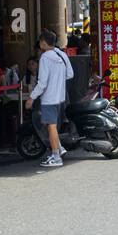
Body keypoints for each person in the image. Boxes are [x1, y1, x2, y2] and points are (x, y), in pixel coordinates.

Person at [25, 30, 74, 168]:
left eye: (40, 41)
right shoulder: (62, 54)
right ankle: (59, 148)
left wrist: (31, 98)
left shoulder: (45, 57)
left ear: (44, 43)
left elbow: (42, 83)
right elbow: (70, 74)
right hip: (60, 97)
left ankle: (56, 156)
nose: (40, 44)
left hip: (49, 98)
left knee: (51, 127)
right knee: (49, 124)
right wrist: (57, 80)